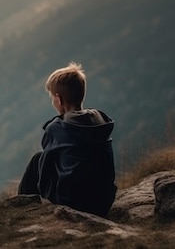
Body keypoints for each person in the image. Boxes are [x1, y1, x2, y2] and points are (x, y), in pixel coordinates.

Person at [17, 62, 116, 217]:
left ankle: (19, 208)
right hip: (103, 200)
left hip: (73, 202)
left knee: (38, 159)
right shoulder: (101, 119)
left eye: (52, 98)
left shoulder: (58, 127)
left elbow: (45, 169)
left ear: (59, 99)